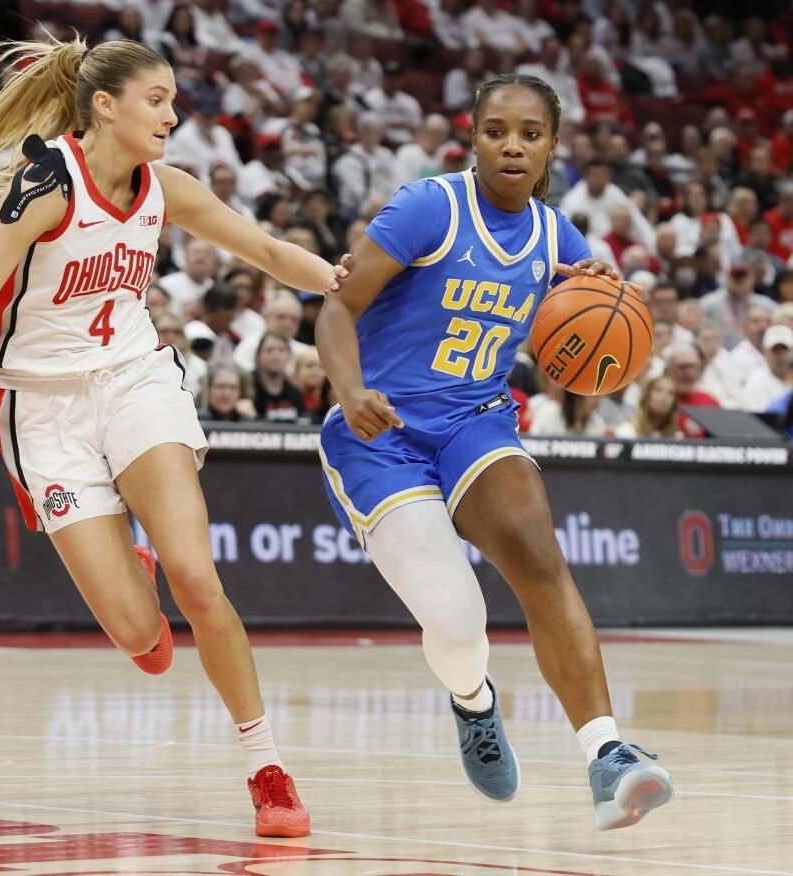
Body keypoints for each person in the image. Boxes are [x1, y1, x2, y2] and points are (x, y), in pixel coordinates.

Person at [0, 36, 350, 838]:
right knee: (142, 638)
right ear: (106, 106)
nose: (173, 113)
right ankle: (134, 571)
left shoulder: (165, 187)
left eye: (175, 99)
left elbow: (259, 247)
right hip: (41, 409)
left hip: (133, 380)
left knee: (197, 578)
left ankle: (267, 768)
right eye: (158, 99)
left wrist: (339, 279)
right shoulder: (47, 185)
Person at [314, 73, 673, 830]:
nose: (513, 145)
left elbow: (575, 348)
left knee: (540, 554)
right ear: (472, 137)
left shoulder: (556, 238)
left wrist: (601, 319)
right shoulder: (427, 208)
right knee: (456, 620)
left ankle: (608, 757)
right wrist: (348, 391)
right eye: (497, 131)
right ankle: (474, 701)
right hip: (382, 433)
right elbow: (338, 307)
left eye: (531, 134)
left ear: (552, 147)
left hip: (476, 420)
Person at [615, 375, 680, 439]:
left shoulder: (677, 437)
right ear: (646, 396)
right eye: (658, 390)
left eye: (671, 393)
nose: (664, 396)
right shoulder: (627, 432)